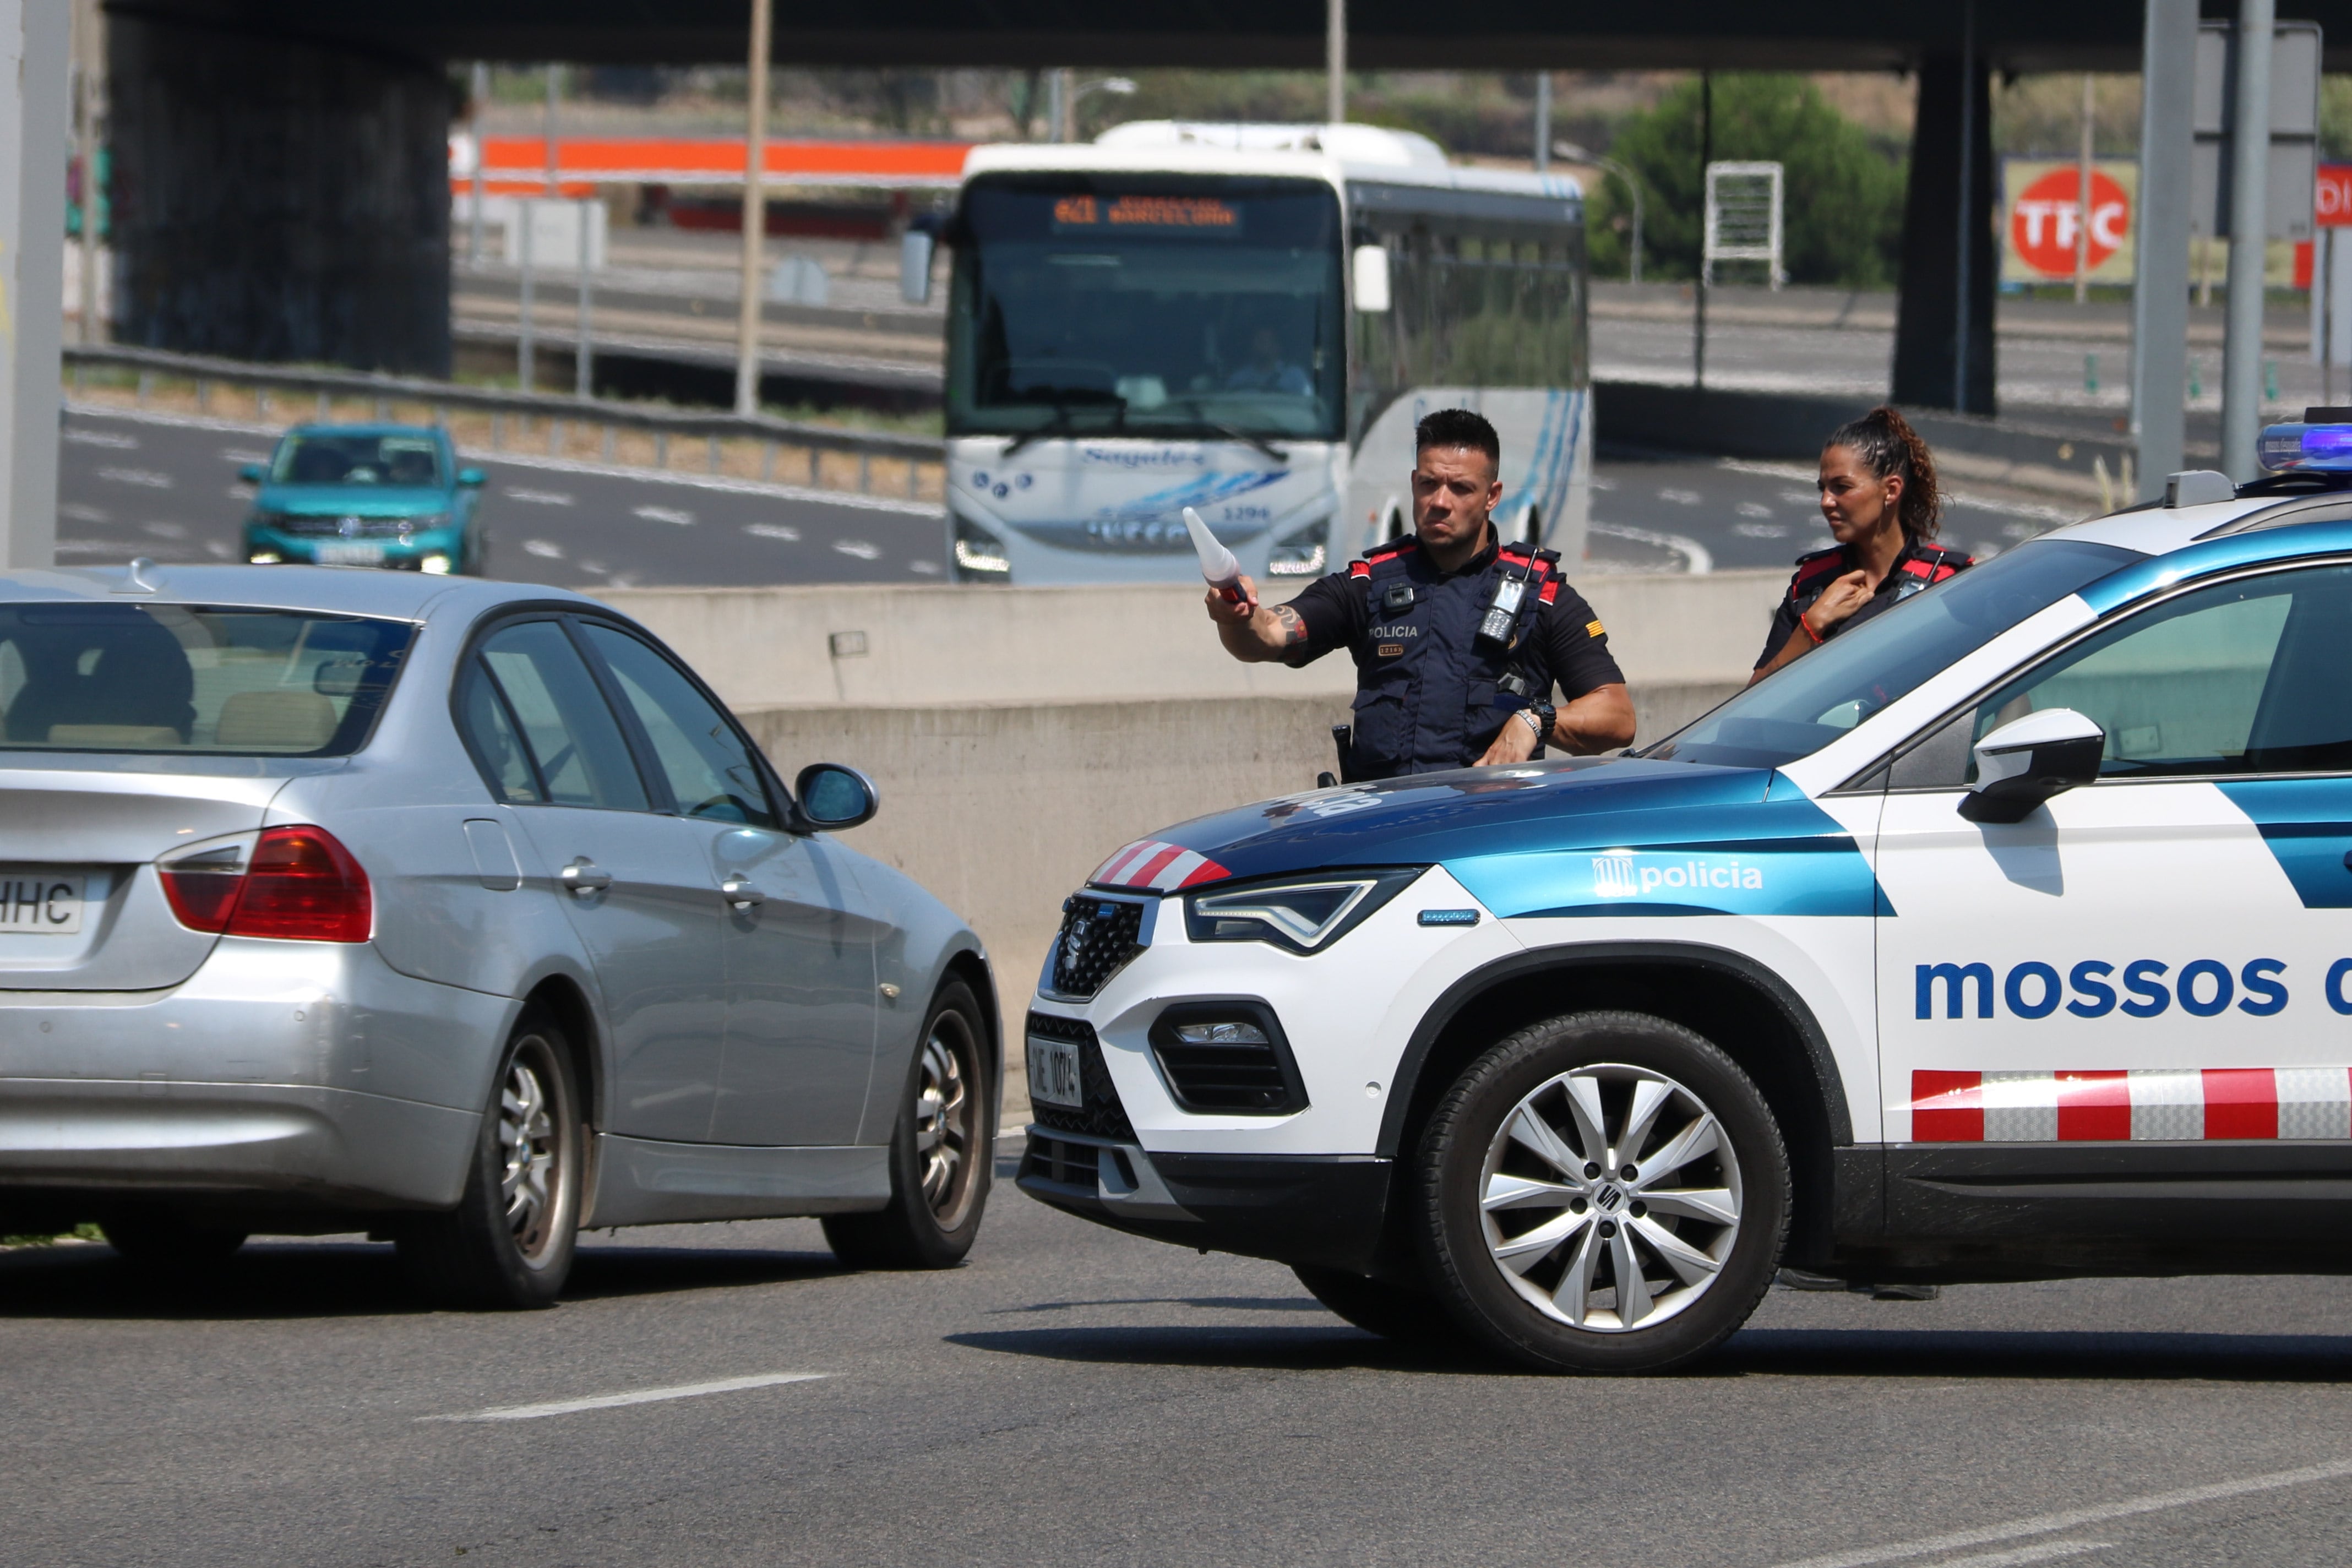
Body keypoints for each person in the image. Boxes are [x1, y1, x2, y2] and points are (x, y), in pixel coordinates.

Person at [1206, 407, 1635, 780]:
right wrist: (1237, 615)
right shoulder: (1369, 583)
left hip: (1486, 831)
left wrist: (1536, 720)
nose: (1440, 502)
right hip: (1386, 829)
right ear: (1414, 483)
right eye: (1429, 484)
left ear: (1492, 496)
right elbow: (1266, 638)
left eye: (1461, 488)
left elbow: (1617, 717)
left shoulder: (1541, 595)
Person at [1750, 405, 1972, 684]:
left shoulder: (1950, 584)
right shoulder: (1809, 587)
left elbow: (2004, 692)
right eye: (1823, 489)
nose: (1826, 502)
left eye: (1842, 487)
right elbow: (1753, 700)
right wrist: (1812, 626)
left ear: (1891, 490)